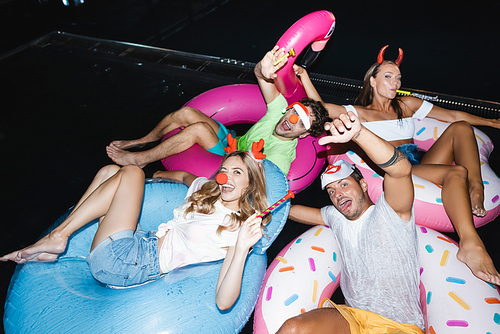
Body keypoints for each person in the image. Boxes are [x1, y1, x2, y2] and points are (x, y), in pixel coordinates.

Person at [293, 46, 500, 285]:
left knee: (462, 129)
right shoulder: (357, 113)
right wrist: (305, 76)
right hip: (394, 169)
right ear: (372, 80)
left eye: (398, 77)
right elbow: (321, 109)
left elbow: (453, 117)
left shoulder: (406, 105)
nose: (395, 82)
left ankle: (476, 187)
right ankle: (470, 243)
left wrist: (493, 121)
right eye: (388, 76)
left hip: (419, 161)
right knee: (456, 171)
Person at [1, 150, 269, 310]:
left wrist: (243, 247)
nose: (226, 177)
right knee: (109, 172)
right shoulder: (206, 191)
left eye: (236, 173)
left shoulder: (236, 226)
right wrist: (158, 178)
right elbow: (184, 177)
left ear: (250, 185)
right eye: (224, 170)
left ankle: (58, 237)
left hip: (131, 264)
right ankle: (57, 238)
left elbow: (223, 302)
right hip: (141, 242)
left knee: (131, 172)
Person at [279, 112, 424, 333]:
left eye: (344, 185)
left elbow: (401, 170)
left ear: (364, 185)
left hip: (398, 325)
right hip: (353, 318)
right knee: (293, 328)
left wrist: (359, 134)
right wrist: (268, 206)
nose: (337, 194)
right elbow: (296, 211)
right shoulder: (336, 216)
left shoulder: (390, 211)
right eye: (331, 190)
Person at [106, 46, 330, 175]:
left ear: (303, 135)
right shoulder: (279, 110)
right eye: (295, 112)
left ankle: (141, 159)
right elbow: (260, 76)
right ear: (290, 108)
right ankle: (142, 141)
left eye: (301, 123)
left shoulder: (282, 155)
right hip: (234, 140)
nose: (291, 121)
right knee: (185, 114)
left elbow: (260, 181)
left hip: (232, 159)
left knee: (200, 129)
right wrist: (263, 68)